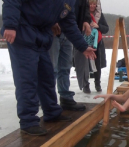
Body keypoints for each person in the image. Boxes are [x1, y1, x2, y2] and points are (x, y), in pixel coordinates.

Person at [1, 0, 96, 136]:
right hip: (22, 31)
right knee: (27, 79)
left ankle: (52, 112)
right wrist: (10, 25)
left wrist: (82, 46)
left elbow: (69, 24)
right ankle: (28, 121)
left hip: (42, 36)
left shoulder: (70, 2)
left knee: (47, 76)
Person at [48, 0, 91, 111]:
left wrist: (85, 21)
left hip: (68, 32)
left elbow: (78, 10)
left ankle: (66, 97)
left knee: (65, 66)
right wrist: (52, 20)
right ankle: (48, 101)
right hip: (52, 31)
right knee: (51, 68)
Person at [74, 0, 109, 93]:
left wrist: (98, 26)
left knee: (97, 64)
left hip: (96, 44)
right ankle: (85, 85)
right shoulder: (81, 14)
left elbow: (106, 28)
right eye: (90, 4)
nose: (92, 6)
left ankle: (97, 83)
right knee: (84, 64)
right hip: (83, 43)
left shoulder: (100, 15)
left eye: (94, 4)